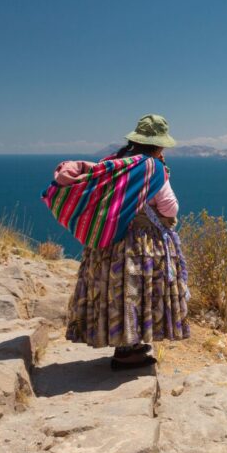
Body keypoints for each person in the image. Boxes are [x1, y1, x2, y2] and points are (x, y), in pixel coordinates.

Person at [42, 114, 189, 370]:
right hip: (139, 245)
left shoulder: (113, 163)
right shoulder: (151, 168)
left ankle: (121, 341)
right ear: (158, 144)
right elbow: (169, 208)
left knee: (112, 290)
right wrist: (161, 173)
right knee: (135, 291)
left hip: (107, 241)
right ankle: (128, 350)